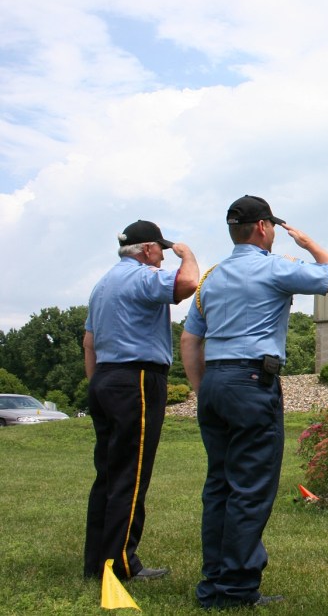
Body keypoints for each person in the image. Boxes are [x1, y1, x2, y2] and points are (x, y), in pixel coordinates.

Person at [180, 195, 328, 609]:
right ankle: (237, 590)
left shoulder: (212, 277)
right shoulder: (275, 268)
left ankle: (213, 585)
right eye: (272, 226)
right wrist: (309, 244)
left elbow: (190, 339)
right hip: (252, 381)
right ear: (263, 227)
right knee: (250, 488)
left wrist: (204, 389)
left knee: (219, 485)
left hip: (216, 381)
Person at [83, 219, 199, 581]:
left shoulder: (102, 285)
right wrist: (187, 254)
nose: (163, 257)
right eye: (161, 251)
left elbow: (89, 343)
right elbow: (188, 283)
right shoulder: (142, 277)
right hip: (137, 379)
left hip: (105, 377)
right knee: (131, 475)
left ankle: (96, 563)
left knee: (108, 473)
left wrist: (98, 385)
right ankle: (120, 565)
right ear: (148, 249)